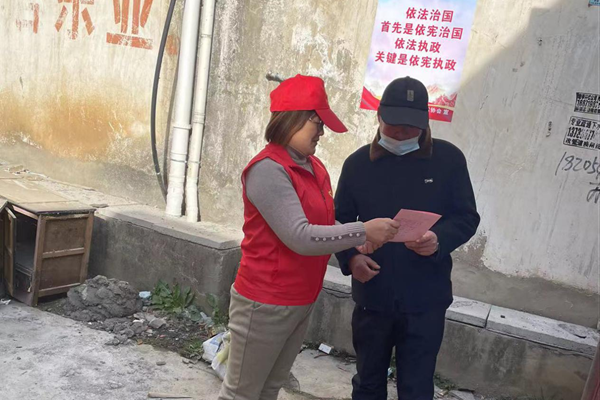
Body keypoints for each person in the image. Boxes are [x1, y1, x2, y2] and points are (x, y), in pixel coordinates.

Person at [218, 74, 400, 400]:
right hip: (265, 302)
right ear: (293, 119)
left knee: (269, 389)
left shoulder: (313, 167)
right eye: (318, 123)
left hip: (300, 299)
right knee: (241, 393)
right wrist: (362, 229)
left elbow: (324, 223)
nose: (322, 132)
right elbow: (300, 237)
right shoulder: (268, 170)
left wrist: (357, 242)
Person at [335, 76, 481, 400]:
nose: (401, 134)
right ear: (379, 116)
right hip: (373, 294)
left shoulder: (448, 160)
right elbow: (339, 221)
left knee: (416, 387)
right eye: (394, 125)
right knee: (368, 383)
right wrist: (352, 258)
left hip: (425, 297)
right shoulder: (358, 165)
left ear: (425, 123)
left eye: (410, 127)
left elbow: (466, 217)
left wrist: (438, 239)